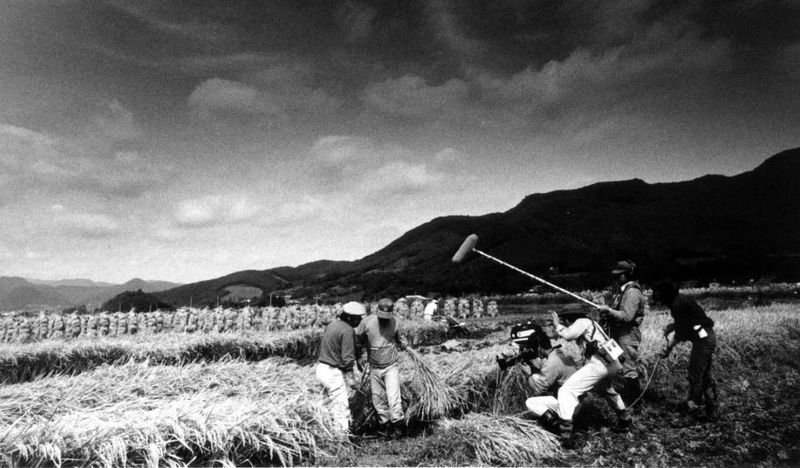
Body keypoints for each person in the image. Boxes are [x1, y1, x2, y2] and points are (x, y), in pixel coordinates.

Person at [545, 310, 631, 438]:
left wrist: (557, 324)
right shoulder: (592, 323)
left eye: (565, 321)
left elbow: (568, 335)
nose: (566, 324)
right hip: (612, 363)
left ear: (569, 319)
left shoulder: (581, 322)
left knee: (565, 391)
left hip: (600, 364)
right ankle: (624, 419)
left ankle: (566, 433)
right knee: (606, 389)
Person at [654, 281, 719, 421]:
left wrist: (667, 348)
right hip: (707, 337)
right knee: (705, 376)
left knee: (695, 377)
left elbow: (681, 332)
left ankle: (692, 411)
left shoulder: (677, 305)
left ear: (666, 295)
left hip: (703, 341)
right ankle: (712, 410)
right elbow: (688, 321)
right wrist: (672, 326)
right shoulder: (681, 300)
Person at [355, 297, 409, 438]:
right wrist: (359, 357)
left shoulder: (395, 322)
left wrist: (404, 344)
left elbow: (401, 339)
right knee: (378, 399)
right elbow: (358, 340)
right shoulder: (366, 322)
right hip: (374, 366)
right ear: (377, 311)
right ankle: (385, 427)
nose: (384, 320)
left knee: (393, 398)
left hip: (391, 365)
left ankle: (398, 427)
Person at [599, 260, 647, 405]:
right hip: (619, 333)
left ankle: (635, 403)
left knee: (629, 369)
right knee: (619, 366)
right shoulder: (623, 291)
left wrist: (609, 310)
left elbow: (627, 317)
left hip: (627, 334)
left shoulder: (632, 292)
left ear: (627, 275)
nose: (617, 277)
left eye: (620, 275)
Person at [316, 301, 365, 432]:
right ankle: (342, 436)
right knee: (341, 407)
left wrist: (358, 357)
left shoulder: (332, 325)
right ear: (349, 317)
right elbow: (347, 358)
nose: (360, 321)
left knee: (325, 404)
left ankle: (325, 433)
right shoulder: (347, 330)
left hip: (321, 369)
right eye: (358, 318)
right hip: (333, 373)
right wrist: (351, 379)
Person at [522, 324, 579, 424]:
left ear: (539, 347)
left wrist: (528, 375)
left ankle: (557, 424)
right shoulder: (558, 353)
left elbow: (538, 391)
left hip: (571, 404)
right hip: (578, 399)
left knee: (530, 402)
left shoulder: (552, 362)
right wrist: (534, 369)